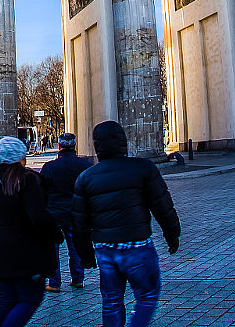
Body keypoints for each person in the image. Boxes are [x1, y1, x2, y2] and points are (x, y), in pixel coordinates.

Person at [72, 121, 181, 327]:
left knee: (111, 302)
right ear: (123, 142)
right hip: (137, 245)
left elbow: (79, 223)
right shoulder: (143, 168)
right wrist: (172, 234)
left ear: (97, 145)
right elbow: (162, 205)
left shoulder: (85, 178)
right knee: (147, 296)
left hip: (105, 249)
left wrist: (85, 257)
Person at [0, 137, 57, 327]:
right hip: (26, 250)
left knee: (6, 296)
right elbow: (38, 216)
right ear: (21, 157)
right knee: (30, 298)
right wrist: (56, 234)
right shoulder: (28, 180)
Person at [40, 131, 93, 292]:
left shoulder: (49, 167)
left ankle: (54, 282)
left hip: (54, 213)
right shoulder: (85, 166)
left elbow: (42, 191)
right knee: (76, 246)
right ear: (75, 145)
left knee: (52, 248)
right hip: (76, 213)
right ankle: (78, 279)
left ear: (59, 146)